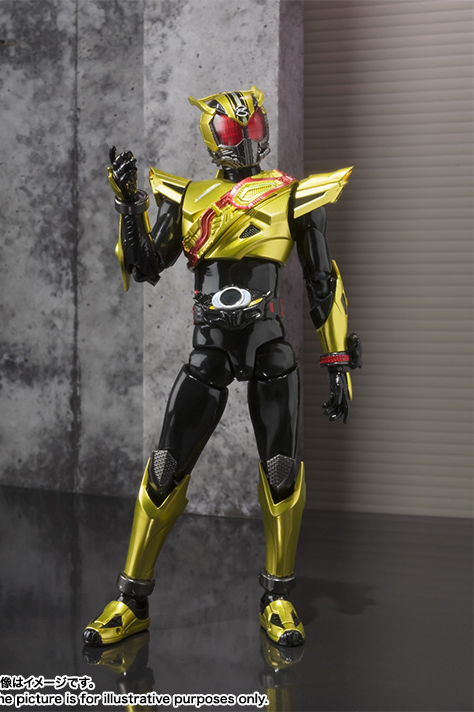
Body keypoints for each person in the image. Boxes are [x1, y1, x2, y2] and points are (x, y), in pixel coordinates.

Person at [83, 87, 362, 649]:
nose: (245, 140)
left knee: (281, 474)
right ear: (214, 138)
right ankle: (130, 602)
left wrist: (339, 362)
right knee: (164, 469)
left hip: (269, 348)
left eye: (250, 128)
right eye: (234, 131)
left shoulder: (292, 195)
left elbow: (322, 281)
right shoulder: (188, 199)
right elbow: (144, 266)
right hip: (209, 351)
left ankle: (278, 598)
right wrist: (129, 206)